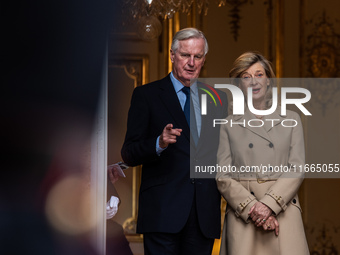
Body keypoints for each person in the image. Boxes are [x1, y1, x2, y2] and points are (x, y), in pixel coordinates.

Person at [121, 28, 228, 254]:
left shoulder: (217, 99)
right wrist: (158, 143)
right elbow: (129, 153)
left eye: (197, 57)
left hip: (203, 214)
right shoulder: (146, 95)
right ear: (172, 55)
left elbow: (225, 153)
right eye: (185, 55)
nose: (191, 62)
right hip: (162, 212)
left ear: (204, 59)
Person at [216, 51, 309, 255]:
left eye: (259, 74)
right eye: (246, 77)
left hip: (284, 213)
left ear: (268, 80)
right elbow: (223, 176)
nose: (254, 82)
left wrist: (269, 205)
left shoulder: (292, 118)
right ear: (239, 85)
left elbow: (297, 167)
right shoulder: (228, 124)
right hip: (244, 216)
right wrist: (253, 208)